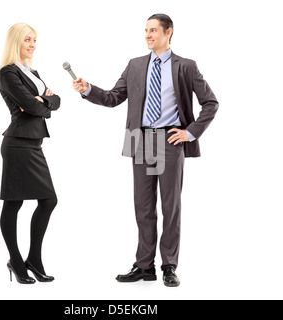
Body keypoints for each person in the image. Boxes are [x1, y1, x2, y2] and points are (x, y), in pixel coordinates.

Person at [73, 14, 218, 287]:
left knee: (170, 206)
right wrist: (88, 89)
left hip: (170, 140)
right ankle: (144, 266)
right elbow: (114, 97)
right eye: (146, 31)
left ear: (168, 32)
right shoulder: (135, 65)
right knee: (143, 207)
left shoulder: (186, 66)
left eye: (153, 30)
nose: (148, 35)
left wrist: (189, 133)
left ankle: (169, 266)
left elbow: (210, 103)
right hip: (139, 140)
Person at [0, 23, 60, 284]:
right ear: (16, 42)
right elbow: (31, 106)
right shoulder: (8, 73)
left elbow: (55, 102)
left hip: (35, 144)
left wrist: (42, 101)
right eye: (27, 39)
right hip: (18, 144)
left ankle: (33, 259)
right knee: (15, 202)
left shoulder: (32, 72)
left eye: (34, 39)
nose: (32, 44)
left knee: (48, 200)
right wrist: (40, 102)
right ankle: (16, 259)